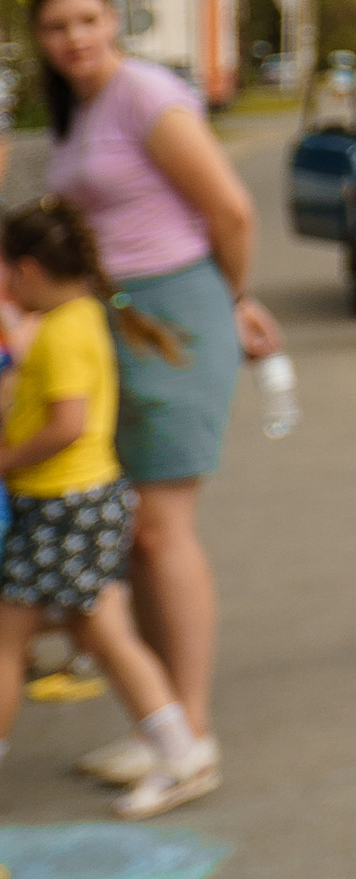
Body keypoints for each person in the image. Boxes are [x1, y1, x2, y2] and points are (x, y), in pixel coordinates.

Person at [32, 0, 281, 790]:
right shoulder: (79, 108)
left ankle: (192, 736)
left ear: (114, 22)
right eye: (58, 25)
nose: (75, 38)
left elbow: (231, 209)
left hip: (174, 320)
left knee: (158, 532)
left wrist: (233, 297)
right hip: (115, 326)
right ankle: (161, 722)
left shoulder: (144, 95)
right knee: (134, 534)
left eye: (88, 20)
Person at [0, 199, 215, 816]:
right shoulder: (80, 317)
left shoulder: (63, 332)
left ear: (30, 269)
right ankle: (181, 752)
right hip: (79, 504)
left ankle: (182, 754)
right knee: (94, 632)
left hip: (62, 505)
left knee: (43, 639)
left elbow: (67, 423)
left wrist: (7, 458)